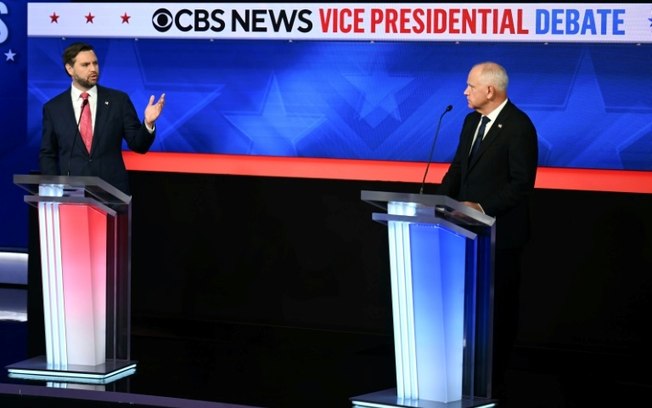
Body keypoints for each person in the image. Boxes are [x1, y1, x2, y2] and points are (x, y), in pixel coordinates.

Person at [437, 62, 538, 401]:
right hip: (464, 234)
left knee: (498, 311)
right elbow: (457, 168)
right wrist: (436, 203)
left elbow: (521, 184)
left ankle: (494, 381)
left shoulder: (519, 126)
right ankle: (464, 376)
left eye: (470, 86)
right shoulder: (470, 122)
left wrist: (482, 208)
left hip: (501, 236)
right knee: (466, 310)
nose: (465, 92)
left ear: (490, 90)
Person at [39, 42, 165, 194]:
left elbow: (138, 145)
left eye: (95, 63)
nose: (93, 69)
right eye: (85, 65)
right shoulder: (54, 108)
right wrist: (54, 190)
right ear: (70, 69)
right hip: (72, 195)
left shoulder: (119, 101)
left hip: (112, 193)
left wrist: (148, 124)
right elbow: (48, 154)